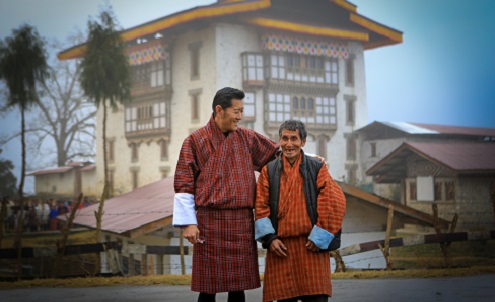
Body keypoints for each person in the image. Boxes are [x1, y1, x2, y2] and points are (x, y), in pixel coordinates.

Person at [172, 87, 280, 302]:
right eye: (236, 111)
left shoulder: (247, 138)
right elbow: (184, 184)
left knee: (238, 288)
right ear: (219, 110)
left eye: (242, 111)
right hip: (208, 222)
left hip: (241, 222)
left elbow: (276, 156)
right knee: (208, 288)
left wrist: (311, 160)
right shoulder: (194, 141)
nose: (240, 117)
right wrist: (188, 223)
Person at [255, 120, 346, 302]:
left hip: (311, 247)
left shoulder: (317, 167)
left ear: (303, 142)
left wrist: (320, 236)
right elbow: (260, 206)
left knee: (316, 298)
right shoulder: (268, 171)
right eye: (285, 138)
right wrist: (270, 239)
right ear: (279, 140)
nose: (289, 144)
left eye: (294, 139)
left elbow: (333, 201)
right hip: (281, 249)